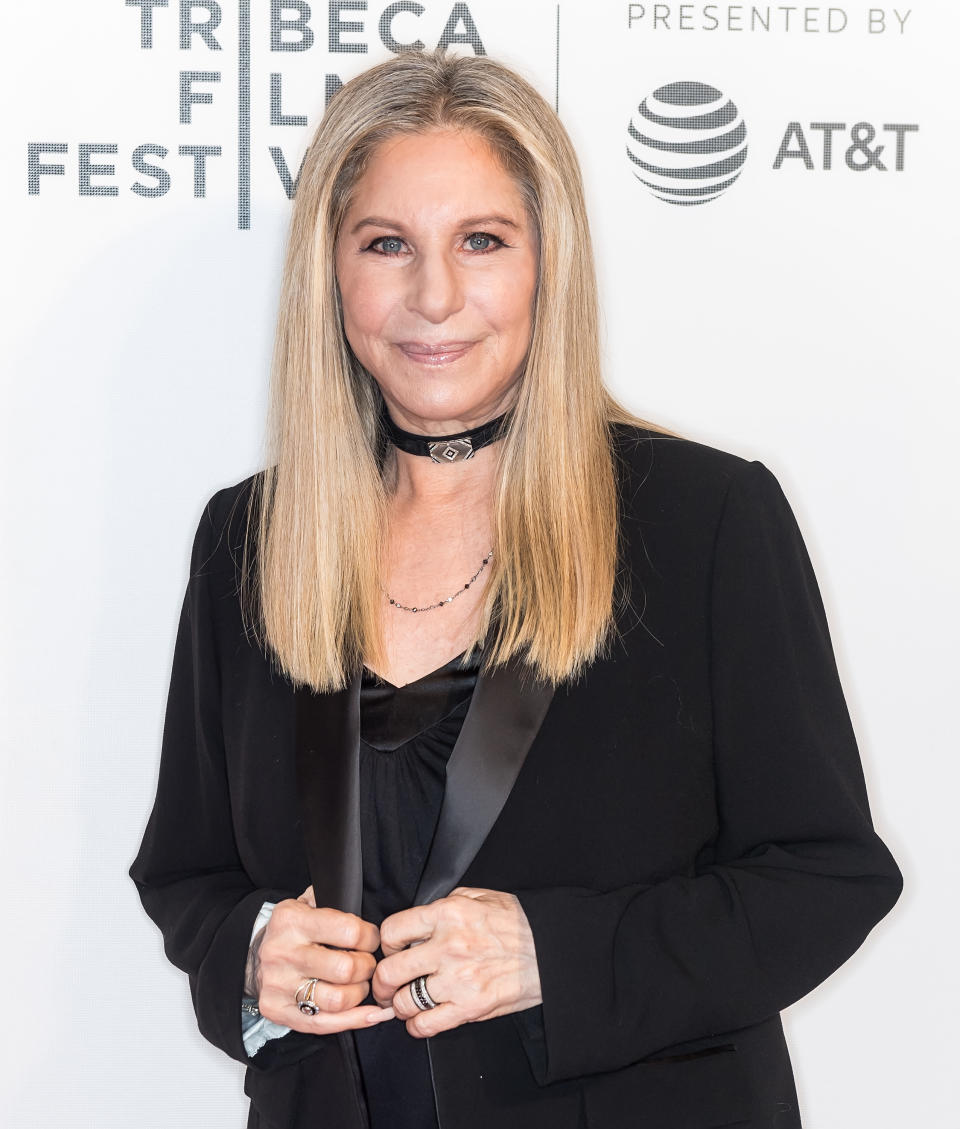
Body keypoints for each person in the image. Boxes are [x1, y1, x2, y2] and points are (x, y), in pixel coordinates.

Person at [129, 47, 902, 1129]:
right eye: (387, 243)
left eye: (481, 241)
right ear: (331, 273)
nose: (433, 295)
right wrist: (254, 954)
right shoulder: (246, 541)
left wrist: (554, 954)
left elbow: (828, 877)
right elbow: (189, 871)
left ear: (550, 262)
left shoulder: (705, 521)